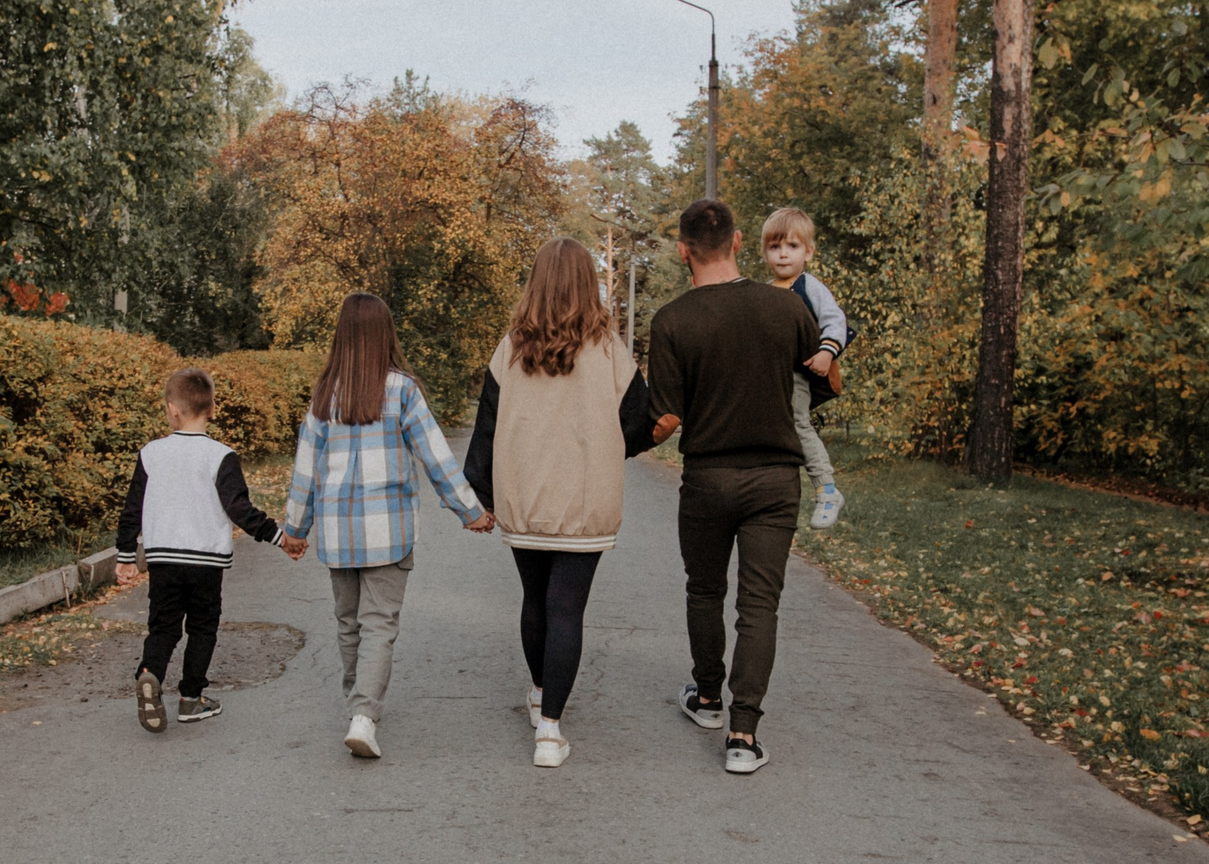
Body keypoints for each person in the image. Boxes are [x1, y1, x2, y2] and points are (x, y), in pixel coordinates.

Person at [463, 236, 664, 767]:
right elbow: (635, 428)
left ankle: (537, 691)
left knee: (534, 600)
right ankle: (550, 732)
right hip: (584, 501)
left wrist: (475, 494)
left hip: (523, 496)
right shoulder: (609, 352)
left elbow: (486, 425)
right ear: (587, 283)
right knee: (567, 609)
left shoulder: (510, 348)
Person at [647, 198, 822, 776]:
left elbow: (666, 419)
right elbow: (826, 380)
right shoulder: (786, 310)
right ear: (741, 242)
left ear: (682, 251)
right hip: (776, 481)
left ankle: (707, 698)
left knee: (704, 590)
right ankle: (744, 736)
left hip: (707, 479)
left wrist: (616, 445)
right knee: (759, 605)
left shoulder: (672, 321)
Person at [281, 294, 494, 760]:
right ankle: (364, 715)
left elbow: (305, 469)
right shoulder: (402, 390)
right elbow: (435, 456)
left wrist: (295, 529)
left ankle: (358, 703)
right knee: (379, 624)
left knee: (349, 623)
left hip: (338, 534)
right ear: (386, 335)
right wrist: (469, 510)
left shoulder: (325, 395)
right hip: (389, 531)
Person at [115, 365, 304, 733]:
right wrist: (281, 538)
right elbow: (240, 509)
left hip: (164, 560)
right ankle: (191, 698)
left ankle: (150, 672)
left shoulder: (150, 454)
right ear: (213, 408)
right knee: (203, 627)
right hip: (206, 561)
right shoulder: (221, 456)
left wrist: (126, 557)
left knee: (164, 627)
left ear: (171, 409)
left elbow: (132, 509)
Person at [759, 205, 851, 528]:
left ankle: (827, 489)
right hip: (767, 378)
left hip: (797, 373)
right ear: (765, 253)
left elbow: (834, 319)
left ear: (808, 251)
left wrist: (828, 351)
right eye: (775, 247)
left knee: (798, 424)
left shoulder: (807, 285)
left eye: (792, 246)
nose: (783, 255)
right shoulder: (765, 292)